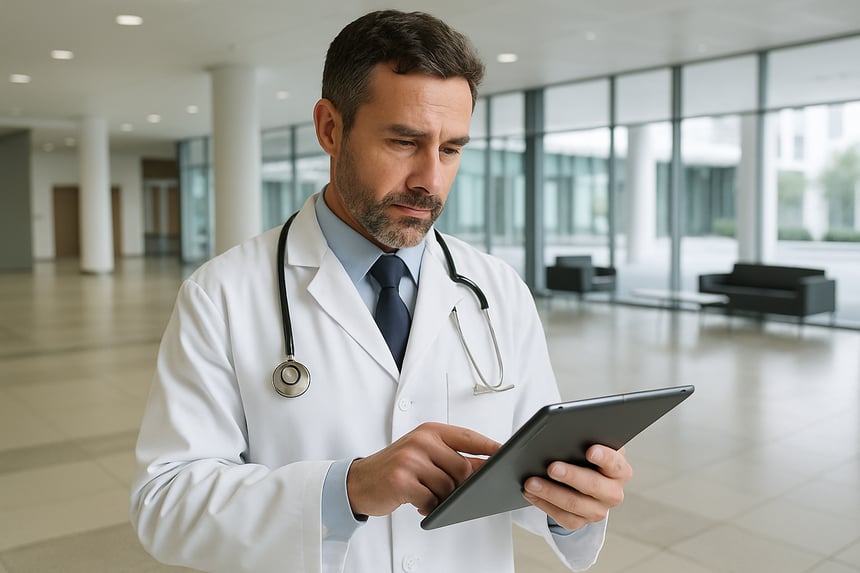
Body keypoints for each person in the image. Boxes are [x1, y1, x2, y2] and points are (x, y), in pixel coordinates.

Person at [130, 9, 631, 573]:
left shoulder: (497, 290)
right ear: (329, 129)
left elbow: (528, 470)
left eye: (450, 149)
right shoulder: (221, 295)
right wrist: (346, 489)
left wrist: (570, 501)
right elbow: (165, 505)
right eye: (403, 141)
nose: (431, 180)